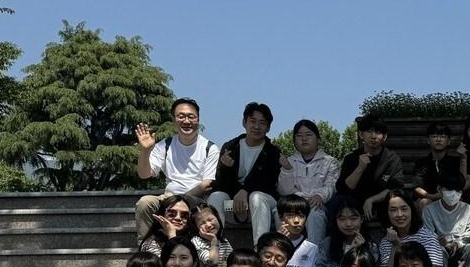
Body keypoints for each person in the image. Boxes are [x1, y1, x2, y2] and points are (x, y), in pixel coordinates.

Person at [133, 98, 220, 240]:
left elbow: (207, 183)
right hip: (169, 197)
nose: (186, 121)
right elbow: (144, 174)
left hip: (197, 199)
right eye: (181, 116)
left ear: (198, 120)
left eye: (191, 116)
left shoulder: (210, 148)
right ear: (173, 120)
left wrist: (181, 201)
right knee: (145, 203)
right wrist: (145, 151)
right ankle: (147, 250)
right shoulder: (164, 145)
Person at [208, 101, 283, 245]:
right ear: (244, 122)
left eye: (262, 123)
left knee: (257, 197)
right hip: (234, 205)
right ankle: (214, 246)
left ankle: (260, 248)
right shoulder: (230, 146)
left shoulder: (273, 152)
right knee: (216, 197)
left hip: (263, 204)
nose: (256, 126)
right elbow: (221, 184)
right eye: (253, 121)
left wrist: (245, 191)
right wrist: (225, 167)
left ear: (268, 127)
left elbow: (268, 183)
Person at [276, 119, 341, 245]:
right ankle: (282, 250)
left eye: (308, 135)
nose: (304, 139)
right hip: (294, 205)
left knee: (315, 214)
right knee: (278, 211)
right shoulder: (289, 161)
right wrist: (287, 170)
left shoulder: (330, 161)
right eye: (299, 136)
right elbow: (284, 191)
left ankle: (314, 254)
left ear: (318, 139)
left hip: (317, 205)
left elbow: (331, 186)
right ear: (294, 141)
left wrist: (319, 196)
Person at [335, 114, 405, 222]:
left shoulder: (392, 159)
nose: (373, 136)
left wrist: (371, 200)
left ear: (384, 137)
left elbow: (395, 188)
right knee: (339, 202)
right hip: (354, 203)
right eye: (369, 131)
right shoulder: (351, 158)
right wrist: (360, 167)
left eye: (378, 132)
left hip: (381, 203)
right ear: (361, 134)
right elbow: (344, 188)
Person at [374, 187, 447, 267]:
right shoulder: (386, 241)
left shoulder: (427, 237)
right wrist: (394, 247)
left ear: (411, 210)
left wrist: (399, 246)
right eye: (393, 210)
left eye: (404, 209)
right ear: (387, 214)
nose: (399, 214)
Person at [422, 166, 470, 258]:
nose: (454, 193)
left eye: (458, 190)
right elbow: (428, 234)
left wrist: (458, 243)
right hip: (439, 247)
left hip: (460, 247)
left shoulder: (467, 209)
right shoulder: (429, 210)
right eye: (449, 189)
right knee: (438, 249)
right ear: (439, 189)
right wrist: (438, 241)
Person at [275, 195, 322, 267]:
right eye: (291, 215)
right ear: (280, 216)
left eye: (301, 216)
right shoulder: (270, 244)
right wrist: (277, 241)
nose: (296, 220)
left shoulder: (312, 248)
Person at [412, 122, 467, 208]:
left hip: (450, 197)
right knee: (424, 202)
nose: (438, 139)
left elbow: (461, 183)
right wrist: (431, 196)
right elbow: (417, 187)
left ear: (448, 141)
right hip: (428, 198)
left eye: (443, 136)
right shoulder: (421, 163)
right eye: (434, 136)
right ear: (428, 140)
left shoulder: (454, 162)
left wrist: (463, 159)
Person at [138, 193, 196, 258]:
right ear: (162, 216)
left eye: (184, 216)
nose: (178, 218)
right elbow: (176, 265)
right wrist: (172, 235)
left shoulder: (195, 240)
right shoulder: (152, 243)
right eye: (171, 214)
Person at [190, 203, 233, 267]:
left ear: (218, 218)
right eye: (202, 223)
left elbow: (225, 263)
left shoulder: (223, 241)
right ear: (196, 228)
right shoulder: (197, 241)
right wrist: (214, 242)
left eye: (210, 219)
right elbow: (212, 261)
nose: (208, 225)